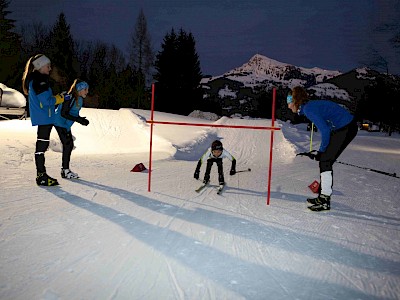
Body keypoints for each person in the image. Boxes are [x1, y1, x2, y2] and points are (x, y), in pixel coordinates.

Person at [288, 86, 358, 211]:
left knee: (325, 160)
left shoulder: (309, 109)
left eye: (289, 103)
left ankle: (324, 199)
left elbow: (325, 130)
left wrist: (321, 151)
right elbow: (328, 125)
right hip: (342, 128)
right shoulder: (309, 107)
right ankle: (323, 195)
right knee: (326, 159)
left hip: (346, 127)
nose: (288, 106)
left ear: (295, 101)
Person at [22, 54, 67, 186]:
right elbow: (46, 101)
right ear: (40, 66)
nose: (50, 68)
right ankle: (41, 176)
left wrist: (58, 97)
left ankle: (41, 175)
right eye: (48, 66)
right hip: (44, 118)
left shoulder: (39, 80)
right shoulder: (39, 81)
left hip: (45, 117)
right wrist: (60, 98)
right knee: (41, 147)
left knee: (42, 146)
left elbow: (46, 99)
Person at [54, 79, 90, 179]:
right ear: (79, 89)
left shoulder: (80, 99)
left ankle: (65, 170)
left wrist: (80, 119)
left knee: (69, 145)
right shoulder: (69, 97)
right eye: (85, 89)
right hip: (59, 122)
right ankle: (65, 170)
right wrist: (79, 120)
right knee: (68, 144)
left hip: (66, 125)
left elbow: (73, 113)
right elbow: (63, 113)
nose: (87, 92)